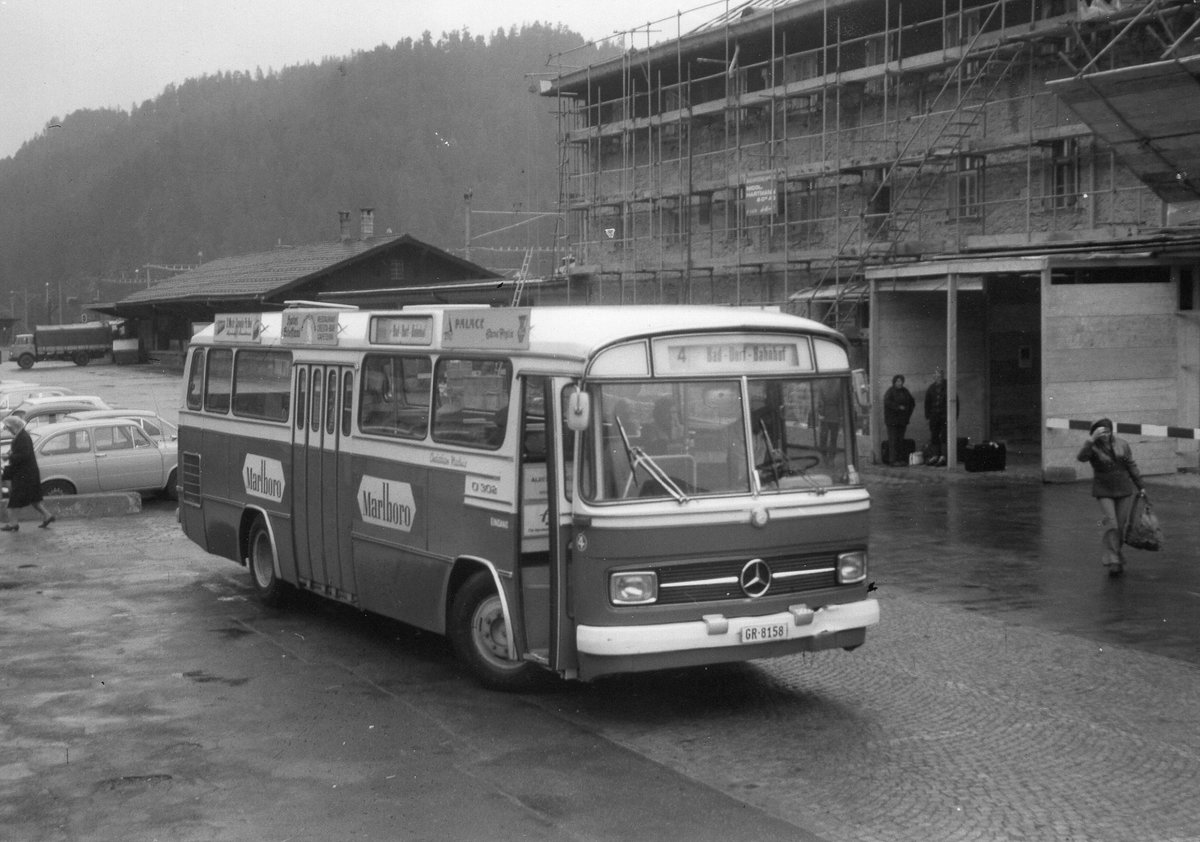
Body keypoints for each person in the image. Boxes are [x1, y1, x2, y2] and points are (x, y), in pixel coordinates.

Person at [1076, 417, 1144, 576]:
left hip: (1123, 489)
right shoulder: (1092, 447)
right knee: (1111, 523)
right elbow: (1081, 458)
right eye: (1101, 432)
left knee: (1120, 525)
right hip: (1103, 489)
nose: (1105, 435)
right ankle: (1113, 559)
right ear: (1094, 433)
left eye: (1108, 431)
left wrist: (1141, 486)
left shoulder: (1122, 444)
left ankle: (1116, 556)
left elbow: (1131, 465)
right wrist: (1091, 440)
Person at [1, 416, 54, 531]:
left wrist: (9, 456)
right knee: (34, 499)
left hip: (24, 475)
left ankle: (13, 524)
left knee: (14, 500)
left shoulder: (22, 438)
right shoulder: (22, 436)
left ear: (14, 427)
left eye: (9, 428)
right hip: (29, 474)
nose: (8, 430)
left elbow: (23, 456)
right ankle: (47, 515)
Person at [883, 374, 915, 466]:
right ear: (894, 382)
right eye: (897, 381)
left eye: (901, 381)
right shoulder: (890, 392)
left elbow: (912, 402)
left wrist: (907, 412)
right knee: (893, 441)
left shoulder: (905, 391)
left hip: (902, 421)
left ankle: (900, 459)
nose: (899, 383)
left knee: (900, 441)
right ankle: (893, 460)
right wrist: (898, 407)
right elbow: (887, 403)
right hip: (892, 422)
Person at [923, 368, 949, 466]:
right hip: (934, 416)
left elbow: (955, 401)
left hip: (944, 416)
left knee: (944, 436)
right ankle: (935, 456)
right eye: (936, 376)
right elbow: (927, 403)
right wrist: (928, 416)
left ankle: (943, 456)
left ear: (943, 376)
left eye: (940, 376)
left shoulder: (948, 386)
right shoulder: (931, 388)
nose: (938, 378)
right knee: (934, 436)